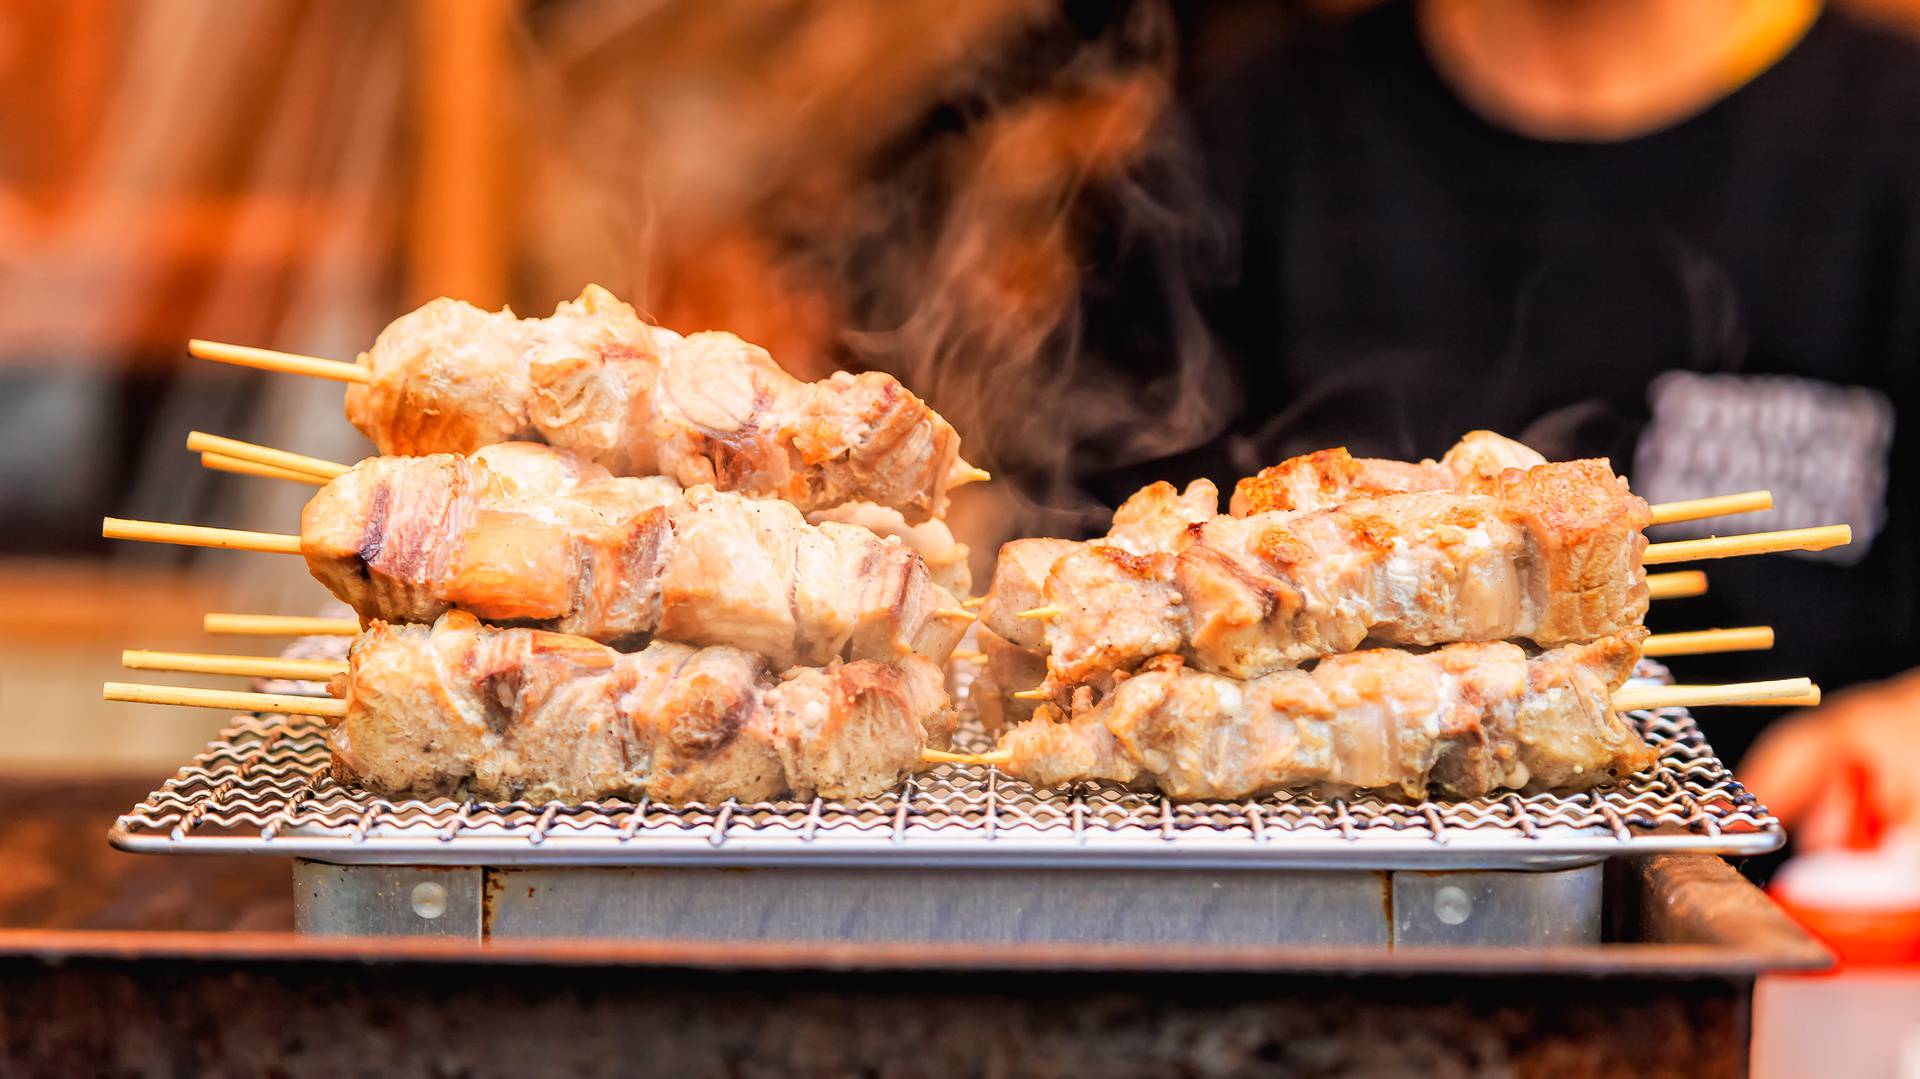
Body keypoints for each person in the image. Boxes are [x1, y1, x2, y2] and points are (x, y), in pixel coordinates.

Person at [1090, 0, 1920, 839]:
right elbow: (1105, 575)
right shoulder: (1249, 135)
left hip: (1793, 923)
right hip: (1298, 915)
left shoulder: (1893, 131)